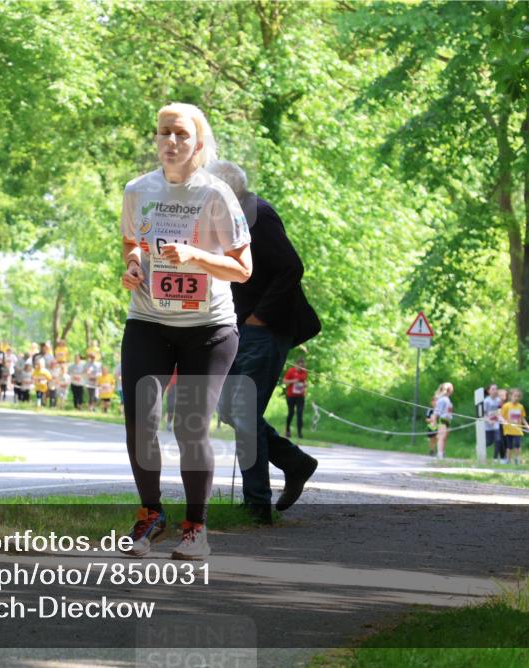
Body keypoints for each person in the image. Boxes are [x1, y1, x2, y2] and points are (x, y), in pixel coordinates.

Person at [117, 102, 251, 560]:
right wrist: (134, 265)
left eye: (180, 134)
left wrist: (195, 257)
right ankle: (150, 516)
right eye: (163, 133)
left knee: (189, 426)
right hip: (148, 318)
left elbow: (242, 268)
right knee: (140, 421)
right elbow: (132, 241)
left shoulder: (215, 195)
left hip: (208, 327)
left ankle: (196, 528)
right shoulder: (138, 190)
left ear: (199, 142)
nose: (170, 142)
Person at [208, 160, 321, 523]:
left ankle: (256, 506)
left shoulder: (259, 214)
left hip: (266, 327)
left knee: (243, 412)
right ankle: (294, 461)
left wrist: (260, 317)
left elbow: (292, 267)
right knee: (229, 409)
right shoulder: (222, 216)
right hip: (238, 326)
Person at [499, 388, 528, 466]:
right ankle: (508, 459)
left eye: (518, 396)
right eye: (515, 396)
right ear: (511, 396)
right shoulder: (506, 406)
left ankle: (516, 459)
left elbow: (522, 417)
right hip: (508, 430)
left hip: (518, 430)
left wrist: (526, 425)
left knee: (517, 445)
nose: (516, 398)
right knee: (509, 446)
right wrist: (503, 421)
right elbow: (500, 416)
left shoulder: (520, 407)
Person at [283, 359, 308, 440]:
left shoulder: (304, 372)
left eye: (302, 366)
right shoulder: (291, 371)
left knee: (300, 414)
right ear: (296, 364)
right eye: (299, 365)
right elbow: (284, 381)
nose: (300, 367)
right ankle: (287, 430)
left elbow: (305, 381)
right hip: (291, 396)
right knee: (291, 412)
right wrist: (293, 381)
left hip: (300, 396)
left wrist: (305, 385)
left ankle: (299, 433)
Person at [483, 383, 504, 462]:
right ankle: (480, 448)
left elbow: (499, 412)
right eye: (493, 389)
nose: (495, 391)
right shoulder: (486, 401)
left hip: (496, 424)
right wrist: (488, 420)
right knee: (489, 442)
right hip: (488, 425)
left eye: (496, 389)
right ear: (488, 391)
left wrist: (502, 419)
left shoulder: (498, 400)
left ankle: (495, 458)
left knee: (498, 440)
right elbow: (483, 414)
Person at [433, 383, 454, 459]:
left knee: (444, 437)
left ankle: (442, 451)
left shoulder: (447, 399)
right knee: (441, 437)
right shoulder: (442, 400)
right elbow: (437, 411)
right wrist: (434, 421)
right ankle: (440, 454)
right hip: (443, 419)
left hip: (447, 420)